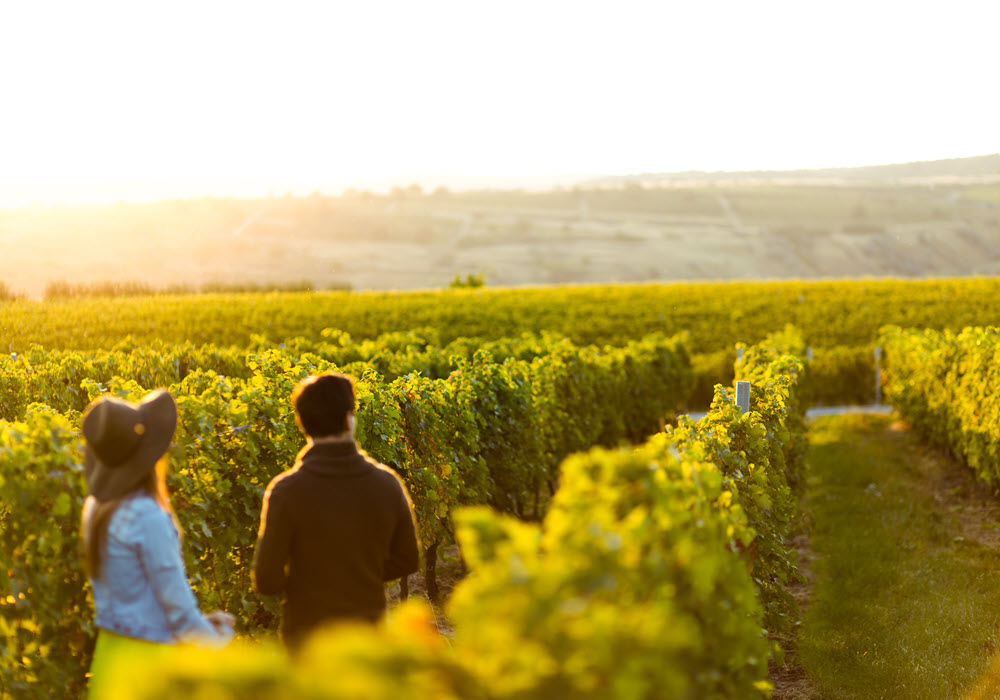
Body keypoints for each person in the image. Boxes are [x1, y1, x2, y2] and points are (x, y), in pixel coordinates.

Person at [80, 389, 234, 697]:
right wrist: (224, 646)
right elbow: (180, 615)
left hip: (111, 658)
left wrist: (204, 622)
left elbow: (136, 599)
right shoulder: (147, 516)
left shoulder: (95, 507)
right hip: (150, 665)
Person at [253, 372, 420, 652]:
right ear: (348, 419)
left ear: (302, 424)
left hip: (306, 641)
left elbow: (266, 580)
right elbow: (407, 560)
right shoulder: (387, 483)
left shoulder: (286, 490)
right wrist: (361, 573)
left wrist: (311, 583)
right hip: (367, 635)